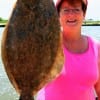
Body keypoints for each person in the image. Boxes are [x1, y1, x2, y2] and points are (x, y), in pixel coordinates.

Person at [36, 0, 100, 100]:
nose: (71, 14)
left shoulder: (96, 47)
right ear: (58, 15)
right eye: (66, 10)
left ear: (84, 14)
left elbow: (99, 88)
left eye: (76, 10)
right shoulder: (47, 44)